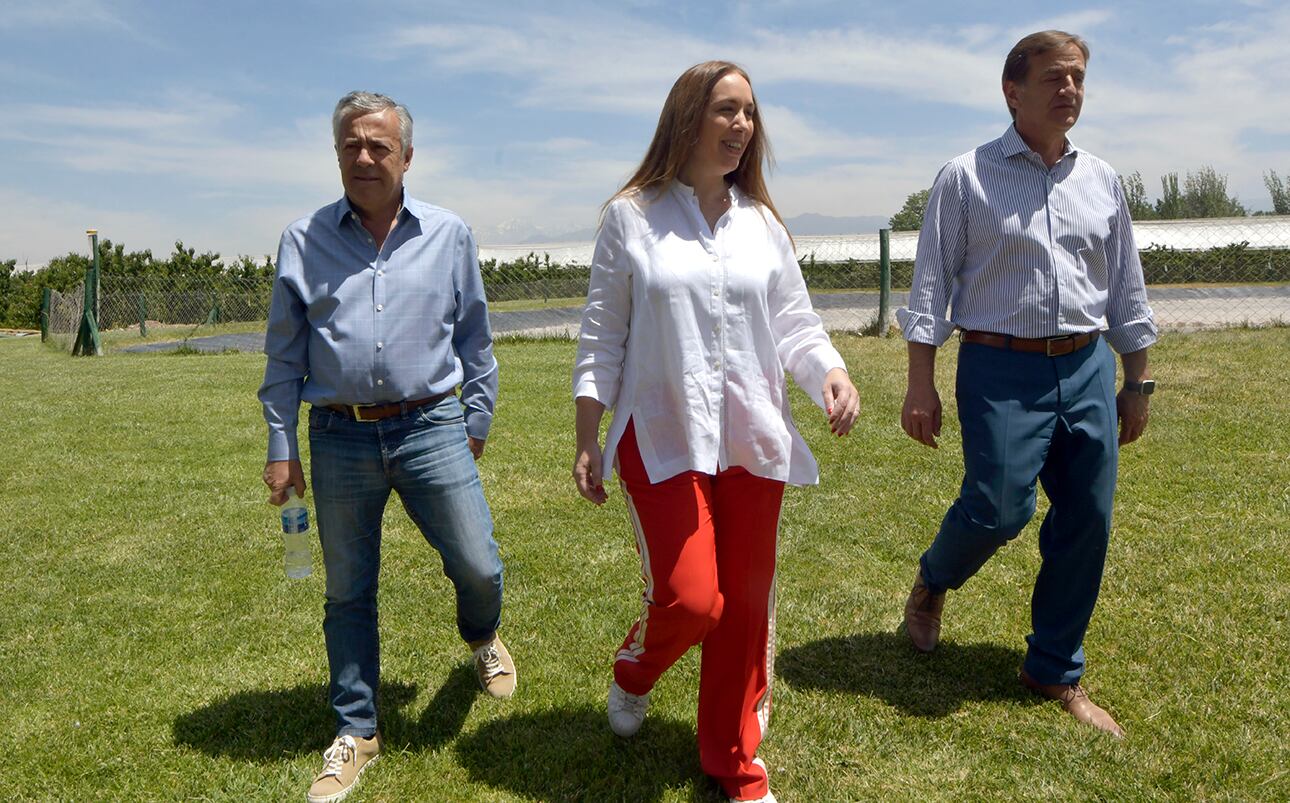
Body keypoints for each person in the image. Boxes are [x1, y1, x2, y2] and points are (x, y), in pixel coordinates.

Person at [572, 61, 859, 803]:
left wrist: (828, 371)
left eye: (750, 114)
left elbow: (794, 322)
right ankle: (636, 667)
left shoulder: (762, 224)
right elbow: (602, 336)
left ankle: (735, 762)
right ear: (687, 116)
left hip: (752, 440)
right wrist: (585, 433)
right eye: (726, 110)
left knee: (746, 601)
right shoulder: (631, 216)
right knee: (694, 598)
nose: (741, 126)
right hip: (660, 434)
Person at [897, 31, 1157, 739]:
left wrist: (1137, 379)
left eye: (1077, 78)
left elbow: (1125, 287)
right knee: (998, 507)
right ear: (1012, 91)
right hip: (999, 365)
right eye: (1053, 78)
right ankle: (933, 580)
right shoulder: (966, 177)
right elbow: (929, 288)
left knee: (1088, 518)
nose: (1068, 90)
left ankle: (1053, 667)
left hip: (1084, 365)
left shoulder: (1101, 180)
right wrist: (920, 383)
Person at [259, 91, 514, 803]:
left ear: (406, 157)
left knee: (479, 562)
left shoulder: (449, 234)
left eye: (379, 146)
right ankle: (357, 728)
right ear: (337, 153)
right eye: (351, 146)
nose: (364, 157)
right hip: (338, 435)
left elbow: (475, 339)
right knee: (347, 592)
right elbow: (284, 356)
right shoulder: (303, 239)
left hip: (431, 423)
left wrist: (476, 421)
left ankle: (481, 633)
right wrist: (283, 445)